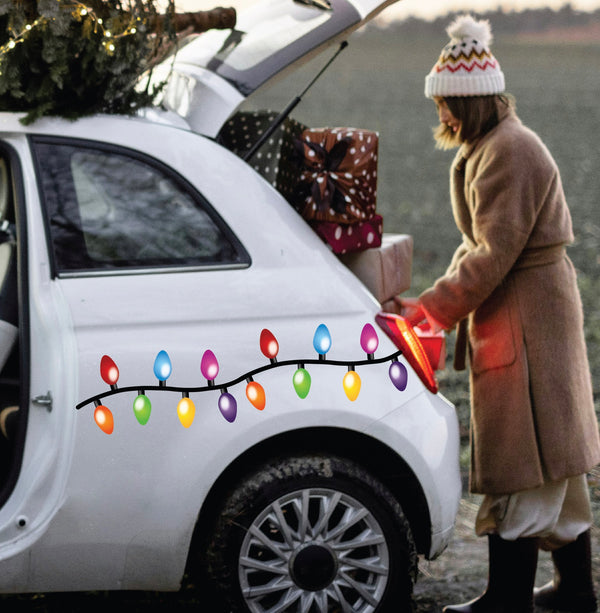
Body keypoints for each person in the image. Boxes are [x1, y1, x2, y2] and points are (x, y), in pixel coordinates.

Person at [401, 14, 600, 613]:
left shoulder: (508, 151)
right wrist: (436, 303)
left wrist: (429, 311)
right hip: (531, 314)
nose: (442, 118)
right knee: (554, 471)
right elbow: (485, 247)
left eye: (447, 106)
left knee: (524, 465)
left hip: (527, 321)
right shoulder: (495, 145)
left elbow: (491, 254)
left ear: (472, 99)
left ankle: (506, 599)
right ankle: (574, 593)